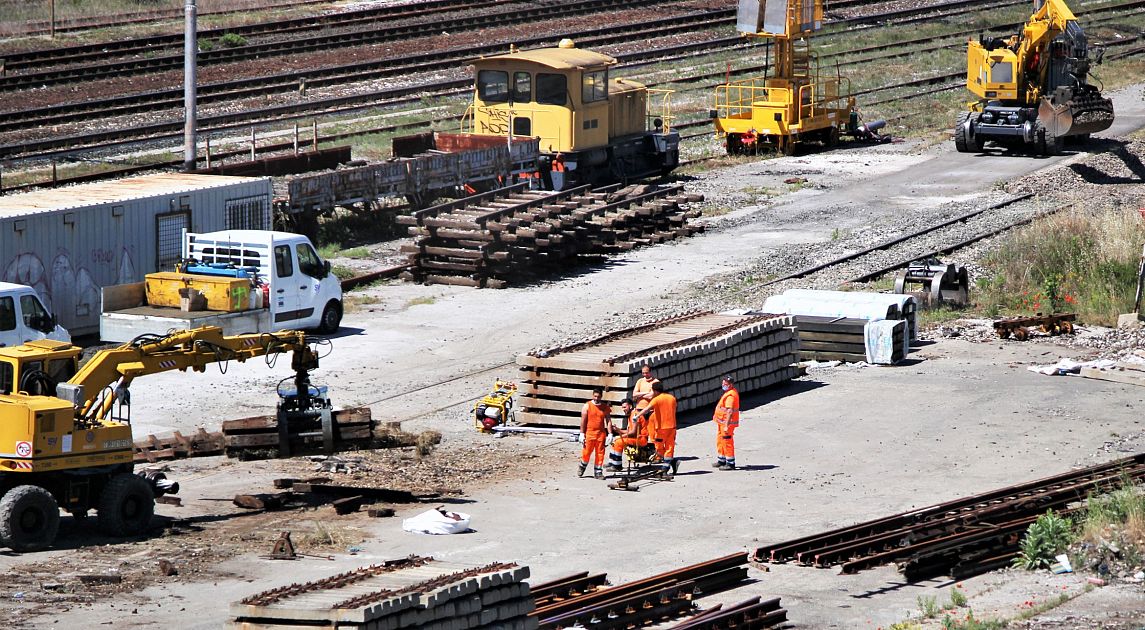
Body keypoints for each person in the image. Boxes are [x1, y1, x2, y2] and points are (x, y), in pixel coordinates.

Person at [632, 380, 677, 468]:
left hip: (661, 428)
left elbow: (646, 409)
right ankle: (669, 464)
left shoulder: (656, 400)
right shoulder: (672, 398)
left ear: (655, 391)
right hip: (672, 427)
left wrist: (637, 416)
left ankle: (665, 466)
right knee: (670, 446)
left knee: (659, 445)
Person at [578, 388, 612, 479]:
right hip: (589, 433)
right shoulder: (587, 406)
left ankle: (598, 472)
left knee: (600, 453)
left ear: (601, 396)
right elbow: (583, 421)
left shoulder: (605, 407)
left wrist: (610, 433)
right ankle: (582, 466)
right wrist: (581, 433)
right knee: (587, 452)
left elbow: (608, 420)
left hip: (600, 434)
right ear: (593, 395)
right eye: (595, 396)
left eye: (598, 396)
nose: (596, 398)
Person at [605, 398, 646, 472]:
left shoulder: (635, 415)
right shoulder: (631, 415)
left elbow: (633, 432)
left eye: (624, 407)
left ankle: (617, 466)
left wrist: (621, 436)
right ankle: (612, 462)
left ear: (630, 406)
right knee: (615, 441)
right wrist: (618, 430)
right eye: (622, 408)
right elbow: (629, 431)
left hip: (641, 439)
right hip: (636, 438)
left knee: (618, 442)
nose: (623, 409)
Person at [712, 375, 740, 471]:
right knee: (720, 440)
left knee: (727, 441)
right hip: (722, 423)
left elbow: (729, 411)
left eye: (726, 384)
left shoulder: (730, 396)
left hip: (727, 424)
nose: (723, 385)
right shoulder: (728, 392)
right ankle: (721, 459)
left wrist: (727, 426)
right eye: (723, 383)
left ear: (731, 384)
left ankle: (730, 463)